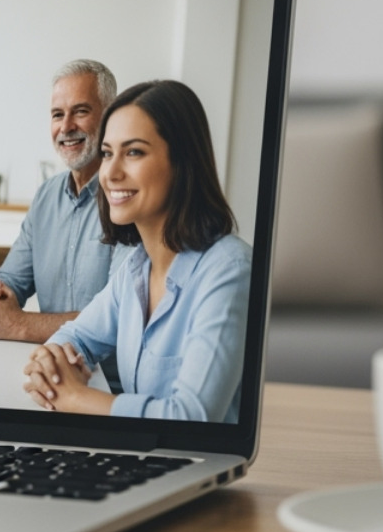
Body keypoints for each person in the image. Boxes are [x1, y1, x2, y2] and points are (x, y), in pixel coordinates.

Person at [23, 80, 252, 422]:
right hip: (135, 449)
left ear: (182, 162)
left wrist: (76, 398)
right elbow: (76, 335)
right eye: (107, 153)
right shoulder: (137, 267)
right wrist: (51, 364)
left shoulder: (230, 271)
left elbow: (193, 417)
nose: (111, 173)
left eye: (133, 152)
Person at [0, 60, 118, 342]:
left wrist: (19, 324)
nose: (66, 126)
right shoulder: (46, 196)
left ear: (110, 116)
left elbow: (116, 318)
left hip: (103, 369)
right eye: (58, 115)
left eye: (80, 111)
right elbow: (12, 280)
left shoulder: (125, 198)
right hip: (46, 361)